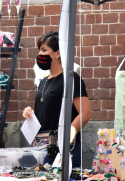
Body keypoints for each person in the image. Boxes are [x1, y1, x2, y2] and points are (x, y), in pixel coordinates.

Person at [22, 31, 92, 168]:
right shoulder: (43, 82)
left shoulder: (71, 79)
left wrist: (65, 137)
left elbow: (85, 113)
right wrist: (29, 112)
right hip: (41, 147)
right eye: (39, 50)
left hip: (64, 148)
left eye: (44, 50)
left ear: (57, 53)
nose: (40, 55)